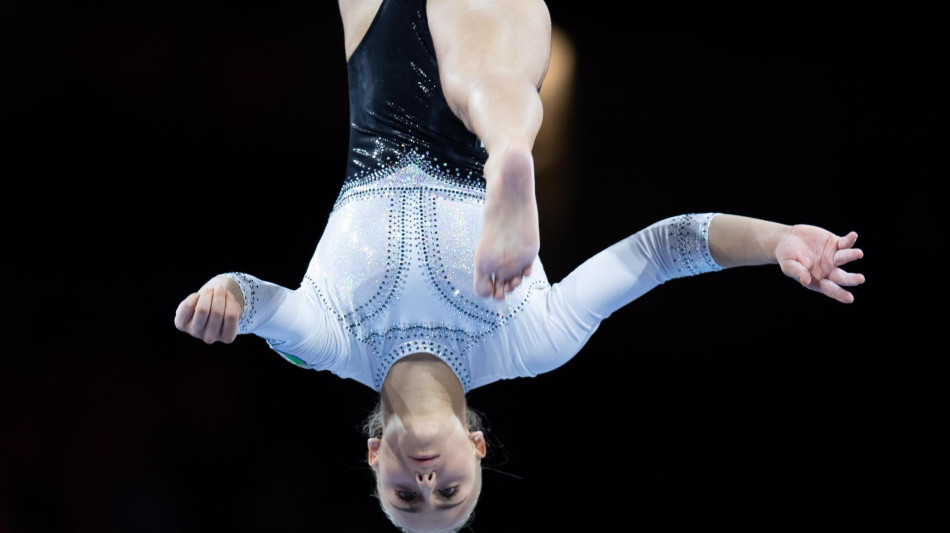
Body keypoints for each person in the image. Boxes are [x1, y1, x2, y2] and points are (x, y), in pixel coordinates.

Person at [174, 0, 866, 531]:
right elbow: (658, 252)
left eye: (405, 495)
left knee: (480, 78)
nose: (426, 480)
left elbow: (258, 303)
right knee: (483, 79)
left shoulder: (331, 343)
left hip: (378, 53)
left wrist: (226, 295)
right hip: (481, 88)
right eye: (450, 491)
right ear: (476, 447)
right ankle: (511, 154)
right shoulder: (530, 342)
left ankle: (511, 149)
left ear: (373, 459)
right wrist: (775, 240)